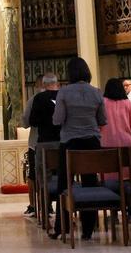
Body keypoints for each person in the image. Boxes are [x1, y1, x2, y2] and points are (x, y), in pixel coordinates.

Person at [51, 56, 106, 240]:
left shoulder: (64, 92)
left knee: (64, 183)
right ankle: (88, 229)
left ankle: (62, 227)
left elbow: (57, 119)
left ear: (70, 73)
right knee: (90, 182)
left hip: (70, 142)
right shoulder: (96, 92)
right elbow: (102, 120)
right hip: (92, 143)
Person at [21, 72, 61, 217]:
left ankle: (34, 205)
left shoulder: (34, 99)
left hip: (38, 143)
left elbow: (26, 122)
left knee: (35, 175)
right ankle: (52, 206)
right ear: (57, 84)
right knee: (57, 174)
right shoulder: (62, 97)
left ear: (40, 84)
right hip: (60, 142)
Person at [101, 78, 131, 181]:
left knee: (110, 177)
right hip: (126, 143)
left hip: (107, 143)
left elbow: (98, 124)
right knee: (128, 176)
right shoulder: (128, 103)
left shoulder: (102, 103)